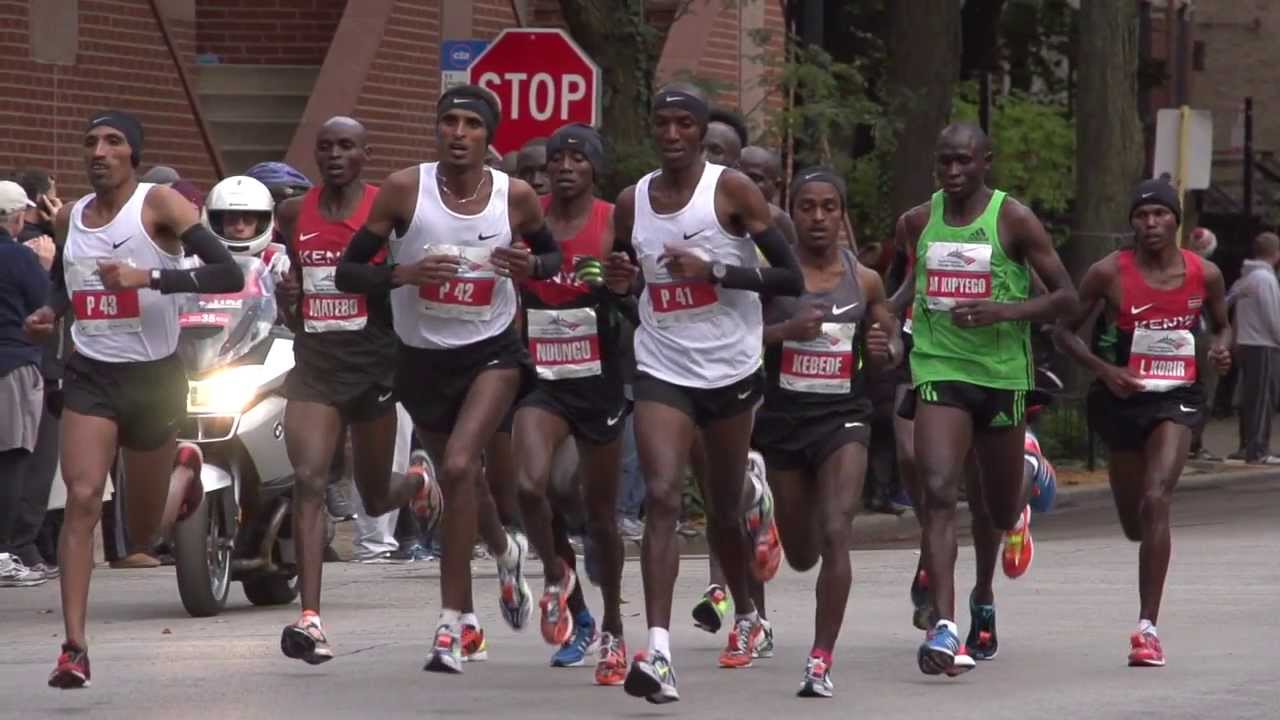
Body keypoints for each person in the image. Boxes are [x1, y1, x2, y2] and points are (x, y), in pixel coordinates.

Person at [336, 84, 561, 674]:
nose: (458, 133)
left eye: (471, 125)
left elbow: (553, 259)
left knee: (459, 467)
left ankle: (452, 624)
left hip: (492, 353)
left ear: (489, 138)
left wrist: (531, 265)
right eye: (449, 122)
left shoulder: (514, 197)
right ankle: (504, 550)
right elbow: (348, 273)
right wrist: (403, 273)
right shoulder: (404, 189)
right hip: (421, 359)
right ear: (436, 129)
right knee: (465, 481)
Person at [27, 111, 244, 689]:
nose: (98, 151)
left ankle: (185, 472)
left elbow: (227, 273)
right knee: (82, 498)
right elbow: (65, 283)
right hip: (92, 373)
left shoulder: (160, 206)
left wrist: (147, 279)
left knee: (143, 536)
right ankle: (74, 647)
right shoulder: (71, 216)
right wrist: (50, 311)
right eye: (91, 142)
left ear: (134, 156)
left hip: (153, 378)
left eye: (113, 141)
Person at [610, 82, 803, 704]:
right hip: (662, 365)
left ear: (699, 133)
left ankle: (747, 612)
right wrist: (619, 281)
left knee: (722, 508)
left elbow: (790, 276)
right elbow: (623, 279)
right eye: (662, 123)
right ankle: (658, 651)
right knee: (663, 496)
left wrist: (715, 269)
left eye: (683, 124)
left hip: (730, 369)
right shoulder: (631, 201)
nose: (671, 134)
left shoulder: (731, 191)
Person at [895, 123, 1076, 677]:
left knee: (995, 510)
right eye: (945, 162)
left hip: (1000, 376)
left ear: (985, 162)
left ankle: (1028, 473)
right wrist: (880, 318)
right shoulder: (917, 221)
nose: (953, 172)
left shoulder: (1013, 219)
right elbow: (906, 287)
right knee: (937, 490)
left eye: (964, 161)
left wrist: (1005, 311)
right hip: (939, 368)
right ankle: (945, 628)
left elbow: (1066, 297)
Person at [268, 117, 433, 664]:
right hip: (316, 366)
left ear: (366, 153)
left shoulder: (387, 209)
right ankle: (310, 619)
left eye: (346, 146)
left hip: (374, 365)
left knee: (374, 494)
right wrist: (289, 299)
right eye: (325, 147)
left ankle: (417, 482)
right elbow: (298, 301)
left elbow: (406, 277)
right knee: (309, 480)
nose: (335, 155)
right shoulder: (295, 213)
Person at [1054, 178, 1231, 667]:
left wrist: (1221, 349)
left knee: (1157, 498)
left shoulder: (1206, 273)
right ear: (1132, 222)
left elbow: (1223, 324)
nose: (1151, 223)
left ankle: (1147, 629)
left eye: (1160, 214)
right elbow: (1064, 333)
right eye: (1141, 215)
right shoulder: (1108, 273)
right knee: (1136, 523)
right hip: (1122, 399)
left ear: (1176, 220)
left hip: (1177, 396)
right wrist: (1105, 371)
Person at [751, 168, 901, 697]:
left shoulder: (864, 279)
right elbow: (736, 337)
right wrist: (784, 332)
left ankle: (820, 659)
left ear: (842, 215)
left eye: (829, 207)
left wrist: (885, 348)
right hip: (784, 423)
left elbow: (889, 339)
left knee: (838, 529)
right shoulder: (771, 277)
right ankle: (767, 518)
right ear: (792, 214)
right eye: (807, 207)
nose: (818, 217)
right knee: (802, 554)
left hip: (844, 418)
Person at [511, 123, 632, 681]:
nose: (563, 167)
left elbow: (637, 297)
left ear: (595, 169)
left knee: (598, 517)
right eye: (556, 158)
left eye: (577, 159)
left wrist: (617, 287)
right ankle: (564, 589)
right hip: (542, 379)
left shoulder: (611, 222)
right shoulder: (526, 221)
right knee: (530, 487)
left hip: (598, 380)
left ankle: (612, 628)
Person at [0, 180, 53, 588]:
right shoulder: (19, 257)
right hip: (13, 365)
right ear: (16, 217)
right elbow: (47, 307)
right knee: (12, 459)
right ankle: (5, 554)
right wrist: (45, 266)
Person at [1225, 232, 1280, 464]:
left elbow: (1227, 300)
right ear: (1276, 253)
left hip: (1246, 342)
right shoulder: (1265, 279)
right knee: (1263, 398)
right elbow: (1272, 314)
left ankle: (1247, 444)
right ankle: (1258, 449)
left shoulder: (1245, 277)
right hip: (1263, 344)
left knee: (1251, 396)